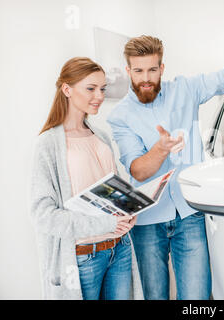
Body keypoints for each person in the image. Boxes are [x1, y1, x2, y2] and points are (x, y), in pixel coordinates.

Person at [107, 35, 224, 300]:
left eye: (152, 69)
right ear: (128, 71)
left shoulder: (186, 89)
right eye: (138, 71)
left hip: (190, 214)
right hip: (147, 221)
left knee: (197, 299)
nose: (145, 77)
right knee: (154, 296)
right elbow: (137, 170)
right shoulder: (120, 116)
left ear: (162, 68)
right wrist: (161, 150)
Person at [30, 57, 143, 300]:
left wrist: (130, 208)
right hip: (83, 257)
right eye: (90, 88)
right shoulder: (48, 144)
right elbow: (43, 215)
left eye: (102, 88)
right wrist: (107, 224)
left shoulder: (100, 135)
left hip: (120, 248)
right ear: (67, 89)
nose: (99, 96)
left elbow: (112, 190)